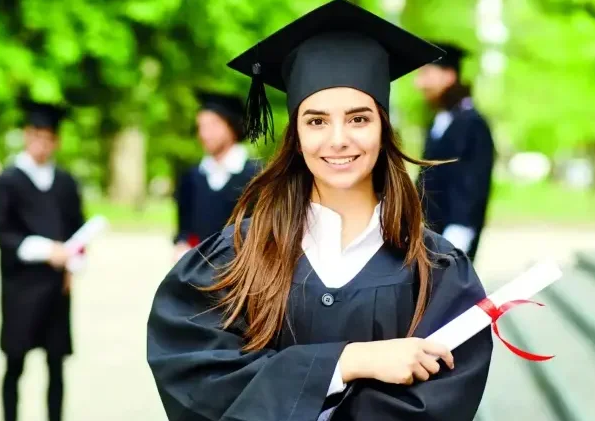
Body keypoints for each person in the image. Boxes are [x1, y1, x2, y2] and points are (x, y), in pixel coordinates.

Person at [146, 2, 493, 421]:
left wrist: (296, 384)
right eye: (316, 121)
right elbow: (198, 381)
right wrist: (346, 363)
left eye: (359, 118)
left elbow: (438, 405)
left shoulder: (437, 272)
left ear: (383, 128)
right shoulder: (237, 256)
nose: (338, 139)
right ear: (296, 134)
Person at [0, 98, 86, 421]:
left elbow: (78, 230)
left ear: (55, 141)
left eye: (48, 137)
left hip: (56, 289)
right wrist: (48, 251)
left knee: (56, 364)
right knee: (14, 363)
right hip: (21, 287)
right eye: (35, 135)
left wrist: (73, 262)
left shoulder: (65, 183)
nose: (41, 144)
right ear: (26, 136)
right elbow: (3, 233)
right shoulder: (8, 181)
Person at [414, 42, 496, 261]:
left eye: (426, 74)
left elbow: (473, 183)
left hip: (452, 237)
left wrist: (459, 233)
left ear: (448, 76)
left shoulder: (473, 124)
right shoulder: (438, 121)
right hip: (428, 234)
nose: (419, 83)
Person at [172, 90, 262, 260]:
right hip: (197, 269)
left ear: (232, 126)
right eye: (201, 127)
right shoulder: (192, 177)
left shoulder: (257, 177)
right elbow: (183, 229)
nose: (205, 134)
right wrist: (181, 245)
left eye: (213, 125)